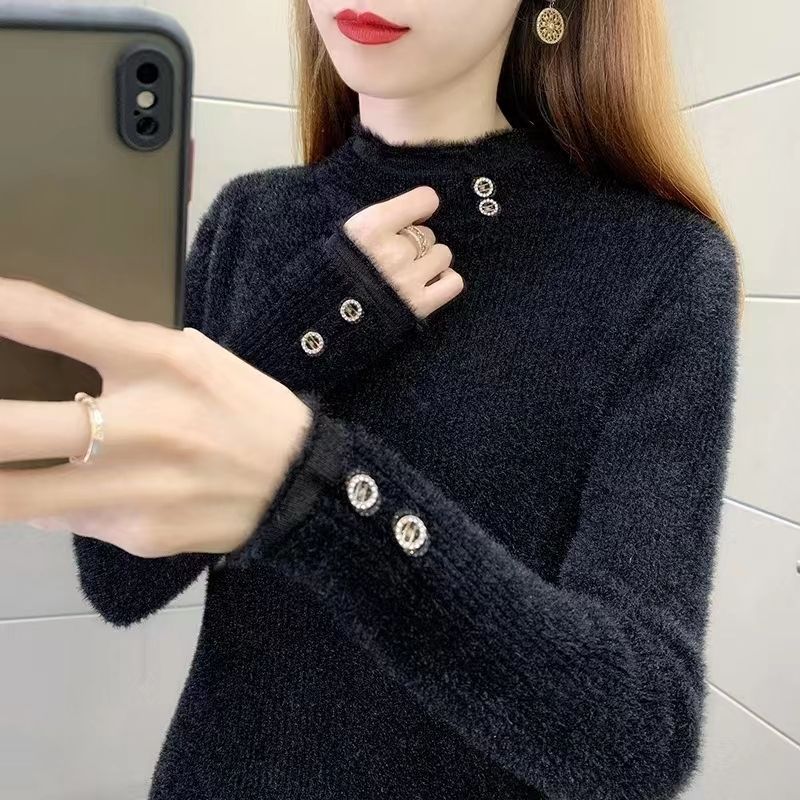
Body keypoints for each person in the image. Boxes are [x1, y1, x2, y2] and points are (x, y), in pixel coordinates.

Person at [4, 1, 743, 798]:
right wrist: (321, 318)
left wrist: (320, 492)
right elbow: (118, 580)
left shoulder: (662, 266)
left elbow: (636, 739)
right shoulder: (251, 219)